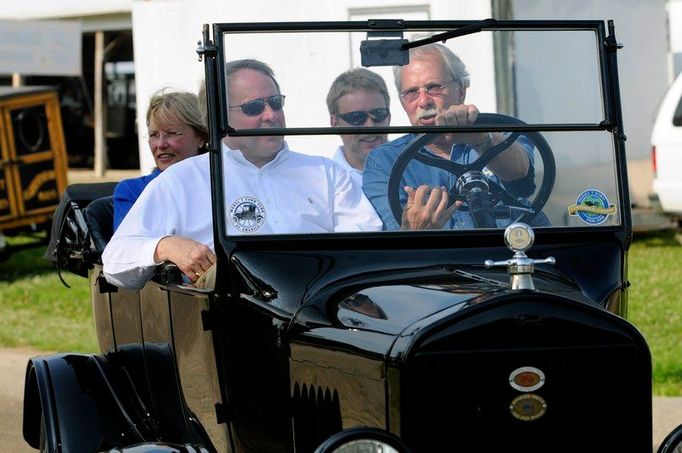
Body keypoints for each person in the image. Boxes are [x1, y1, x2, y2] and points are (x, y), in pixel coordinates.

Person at [102, 59, 381, 290]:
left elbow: (366, 250)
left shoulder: (326, 174)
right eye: (254, 107)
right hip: (232, 329)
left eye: (275, 102)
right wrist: (164, 246)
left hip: (320, 316)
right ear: (219, 115)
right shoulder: (182, 181)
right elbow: (114, 261)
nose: (271, 115)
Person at [363, 43, 540, 231]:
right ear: (402, 101)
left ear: (461, 90)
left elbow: (521, 179)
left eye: (433, 87)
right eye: (412, 92)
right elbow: (396, 241)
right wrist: (416, 231)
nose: (423, 101)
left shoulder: (502, 132)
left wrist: (480, 138)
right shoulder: (384, 161)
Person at [113, 90, 208, 230]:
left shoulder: (223, 186)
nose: (161, 144)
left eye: (172, 133)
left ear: (201, 137)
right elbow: (129, 248)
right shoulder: (134, 192)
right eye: (154, 134)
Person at [326, 68, 391, 186]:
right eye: (356, 117)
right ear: (335, 123)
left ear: (389, 117)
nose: (370, 125)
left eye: (378, 114)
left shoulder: (415, 167)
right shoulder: (323, 184)